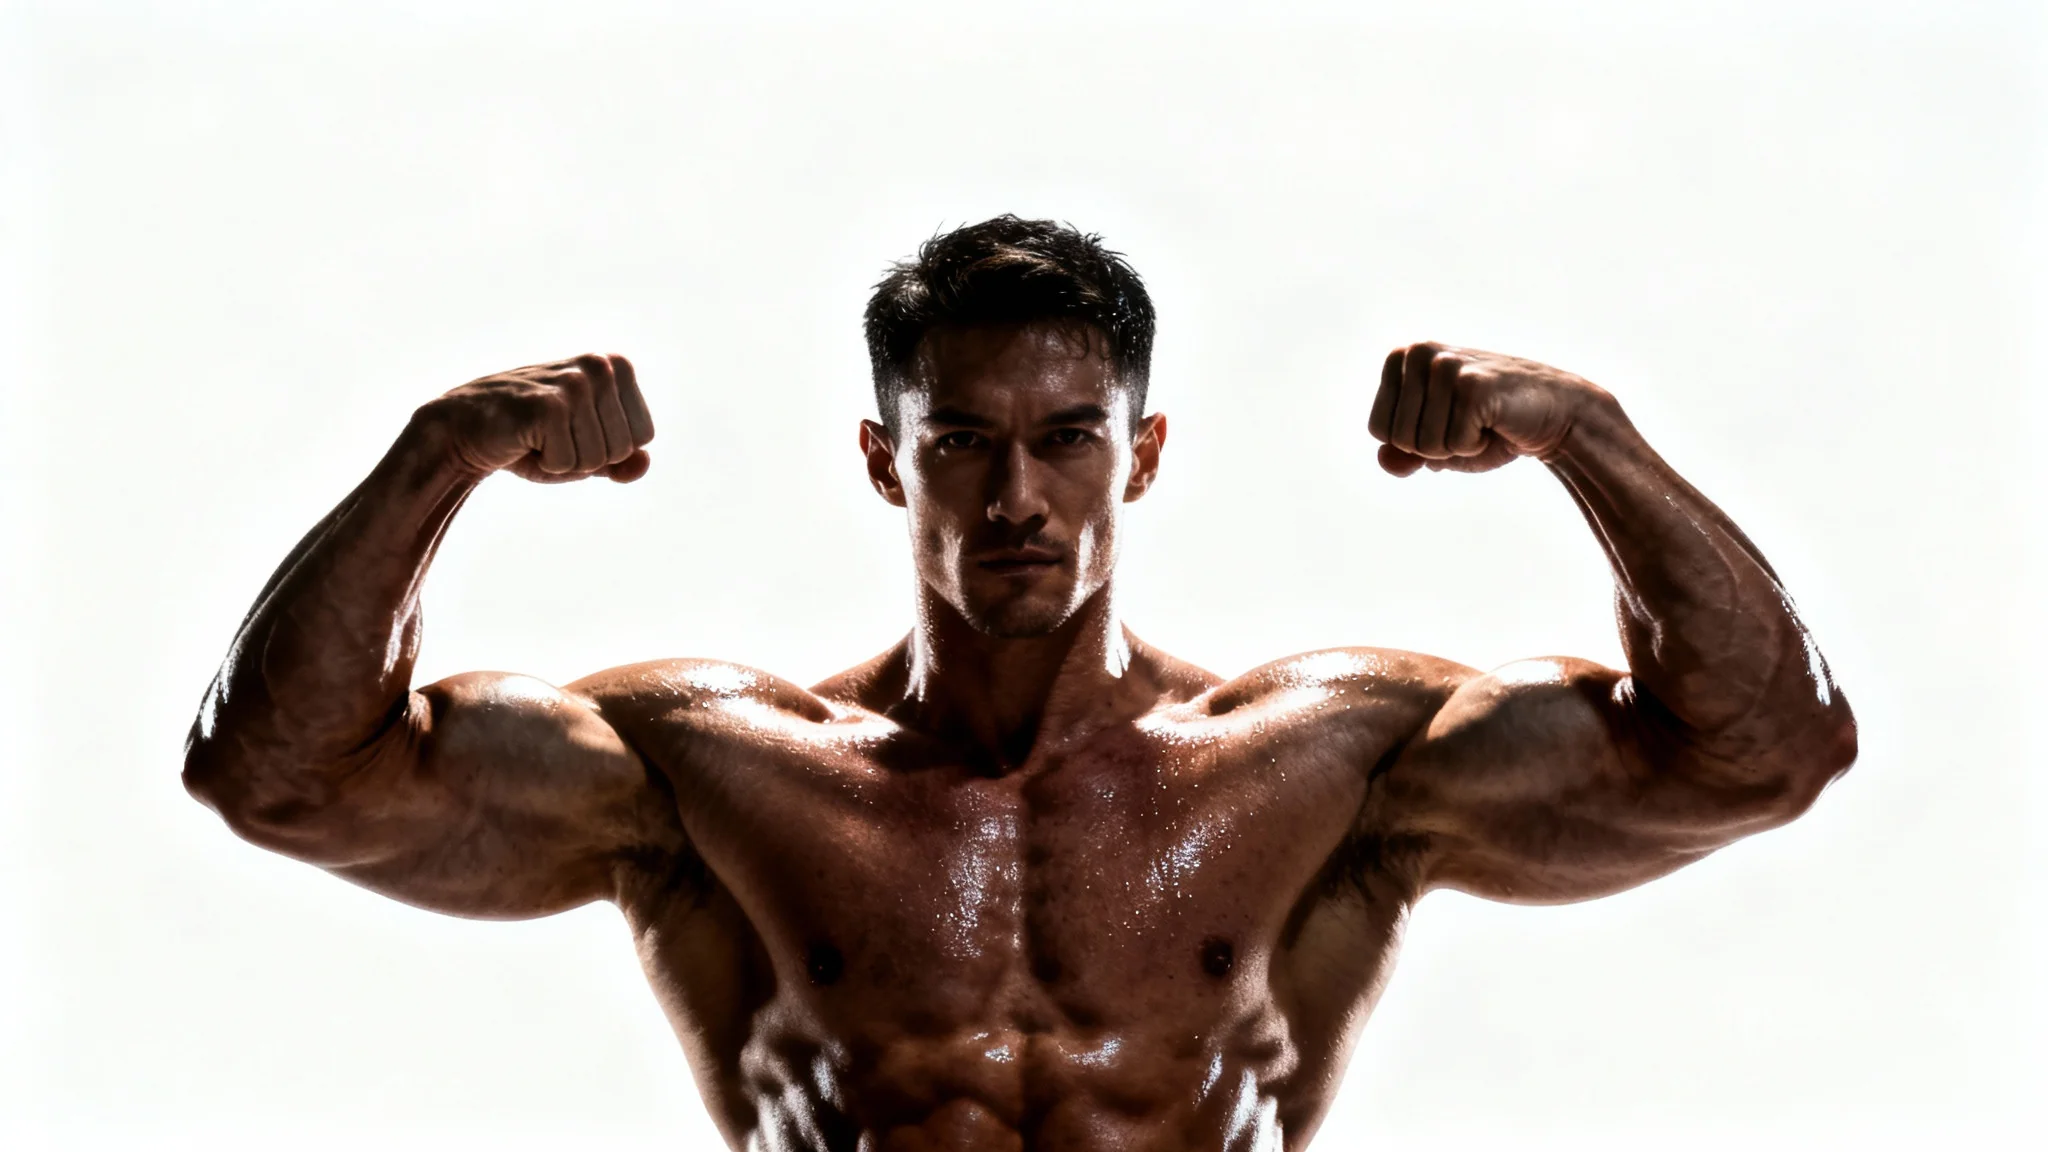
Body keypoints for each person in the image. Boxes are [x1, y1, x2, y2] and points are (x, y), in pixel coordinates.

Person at [183, 215, 1856, 1151]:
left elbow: (1765, 754)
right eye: (962, 445)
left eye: (1067, 442)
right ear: (880, 462)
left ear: (1143, 457)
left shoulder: (1324, 759)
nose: (1017, 499)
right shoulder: (711, 765)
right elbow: (280, 778)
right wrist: (441, 455)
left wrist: (1590, 437)